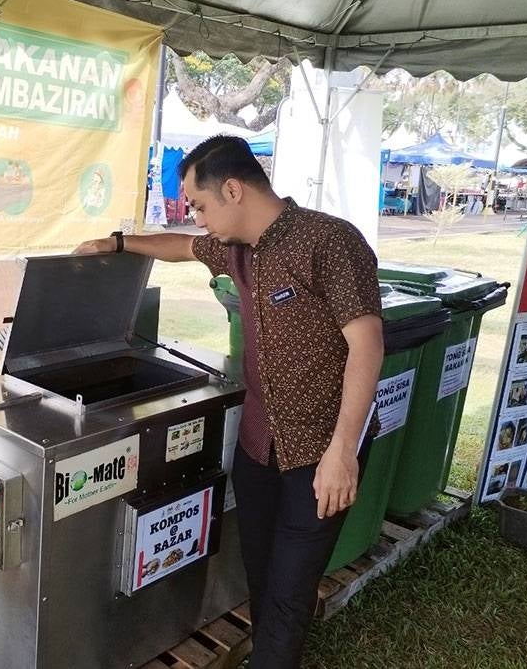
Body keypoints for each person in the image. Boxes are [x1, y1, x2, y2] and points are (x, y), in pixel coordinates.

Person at [75, 135, 383, 667]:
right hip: (259, 444)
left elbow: (367, 344)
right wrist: (119, 244)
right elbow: (181, 247)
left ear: (234, 190)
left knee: (289, 588)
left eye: (200, 205)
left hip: (321, 450)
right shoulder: (236, 247)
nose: (197, 219)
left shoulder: (328, 241)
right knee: (261, 572)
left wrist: (342, 451)